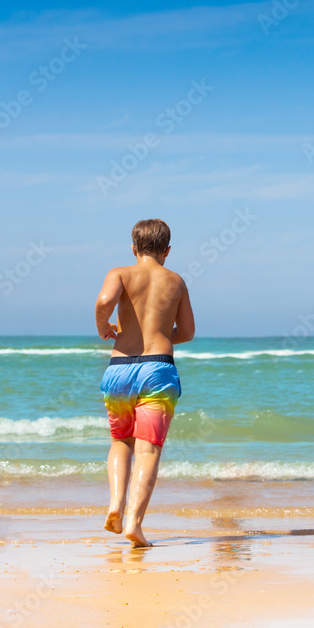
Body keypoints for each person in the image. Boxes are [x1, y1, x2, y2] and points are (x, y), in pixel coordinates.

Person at [94, 219, 195, 547]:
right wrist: (162, 336)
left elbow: (103, 302)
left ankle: (115, 504)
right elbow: (188, 332)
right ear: (167, 251)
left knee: (120, 441)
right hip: (158, 369)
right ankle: (135, 523)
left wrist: (104, 328)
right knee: (148, 449)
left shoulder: (120, 273)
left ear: (133, 248)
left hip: (120, 367)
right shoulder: (176, 281)